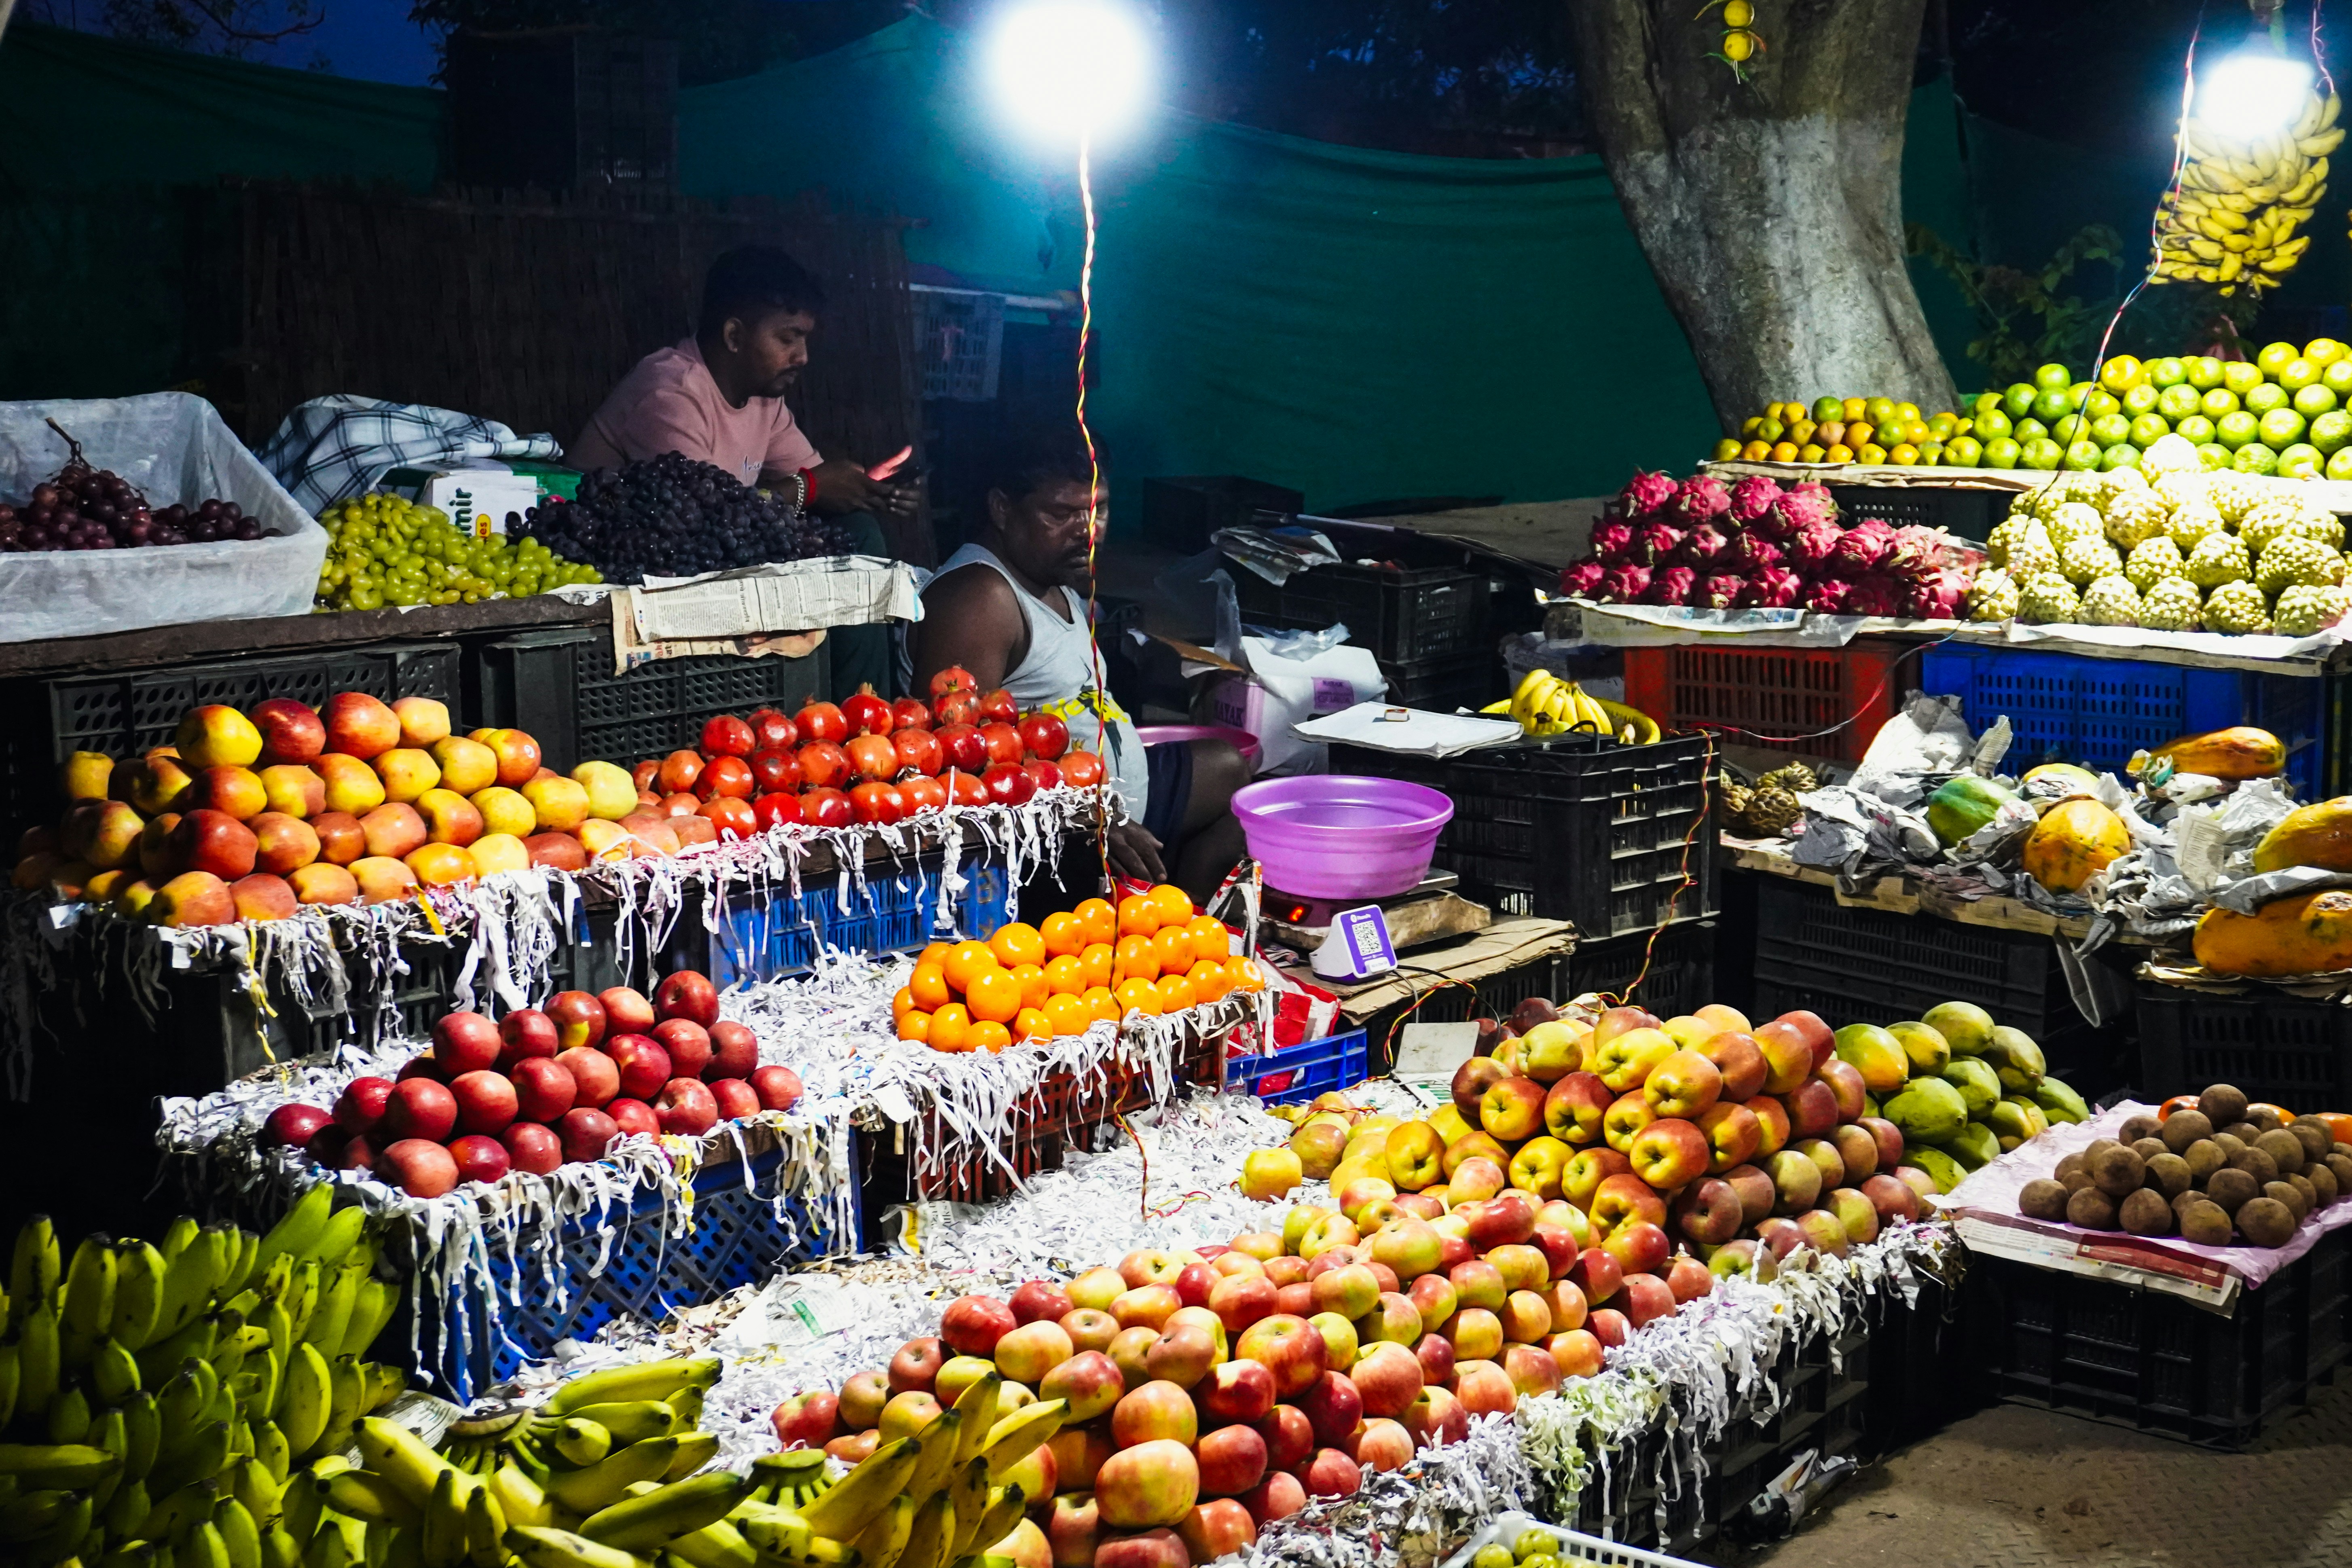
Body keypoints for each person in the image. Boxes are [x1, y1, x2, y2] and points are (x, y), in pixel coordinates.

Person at [906, 428, 1249, 899]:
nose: (1088, 530)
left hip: (1114, 800)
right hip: (1058, 831)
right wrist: (1083, 819)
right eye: (1061, 514)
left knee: (1236, 782)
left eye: (1098, 510)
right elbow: (963, 767)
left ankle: (1169, 928)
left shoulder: (1051, 576)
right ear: (1002, 509)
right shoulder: (979, 598)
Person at [569, 245, 912, 697]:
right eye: (788, 338)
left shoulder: (764, 399)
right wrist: (809, 487)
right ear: (734, 336)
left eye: (805, 339)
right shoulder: (671, 391)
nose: (803, 356)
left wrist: (870, 490)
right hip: (620, 564)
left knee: (857, 529)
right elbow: (698, 517)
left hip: (700, 559)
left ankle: (863, 710)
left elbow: (816, 483)